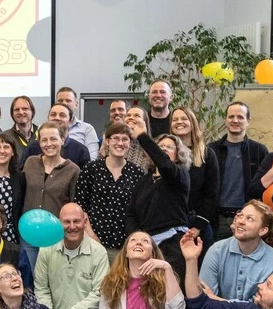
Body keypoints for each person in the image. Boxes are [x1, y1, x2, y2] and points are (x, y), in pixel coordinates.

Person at [124, 121, 191, 281]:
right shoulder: (144, 180)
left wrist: (142, 136)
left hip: (171, 244)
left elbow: (166, 166)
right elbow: (131, 214)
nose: (164, 149)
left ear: (178, 154)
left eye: (169, 147)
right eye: (160, 146)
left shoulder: (179, 174)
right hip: (147, 244)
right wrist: (137, 237)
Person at [74, 123, 144, 262]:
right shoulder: (91, 169)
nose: (120, 143)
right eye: (115, 138)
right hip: (93, 242)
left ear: (130, 143)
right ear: (107, 141)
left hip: (124, 246)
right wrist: (91, 237)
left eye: (125, 139)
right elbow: (80, 206)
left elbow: (139, 210)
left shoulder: (137, 173)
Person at [20, 121, 80, 265]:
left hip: (56, 237)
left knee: (54, 280)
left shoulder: (73, 170)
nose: (49, 144)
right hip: (29, 234)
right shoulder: (30, 163)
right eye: (44, 140)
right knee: (31, 280)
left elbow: (74, 204)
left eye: (53, 139)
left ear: (62, 140)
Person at [207, 102, 268, 237]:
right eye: (231, 117)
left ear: (248, 121)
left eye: (240, 117)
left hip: (248, 217)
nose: (235, 120)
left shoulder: (258, 151)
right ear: (225, 120)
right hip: (217, 218)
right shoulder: (211, 150)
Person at [170, 106, 219, 242]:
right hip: (168, 224)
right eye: (175, 119)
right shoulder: (166, 155)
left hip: (197, 225)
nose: (179, 122)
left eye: (184, 118)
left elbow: (212, 194)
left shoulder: (206, 154)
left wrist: (198, 225)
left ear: (192, 123)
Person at [19, 105, 91, 165]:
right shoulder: (33, 147)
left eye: (62, 115)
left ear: (70, 120)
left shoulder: (80, 150)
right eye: (53, 114)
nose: (57, 118)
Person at [55, 86, 98, 157]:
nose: (64, 103)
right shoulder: (44, 128)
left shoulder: (87, 129)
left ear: (76, 104)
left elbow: (92, 157)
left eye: (68, 100)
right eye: (60, 101)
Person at [6, 95, 39, 159]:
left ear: (32, 111)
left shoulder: (42, 133)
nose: (21, 112)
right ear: (12, 114)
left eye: (25, 109)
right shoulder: (5, 137)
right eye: (16, 110)